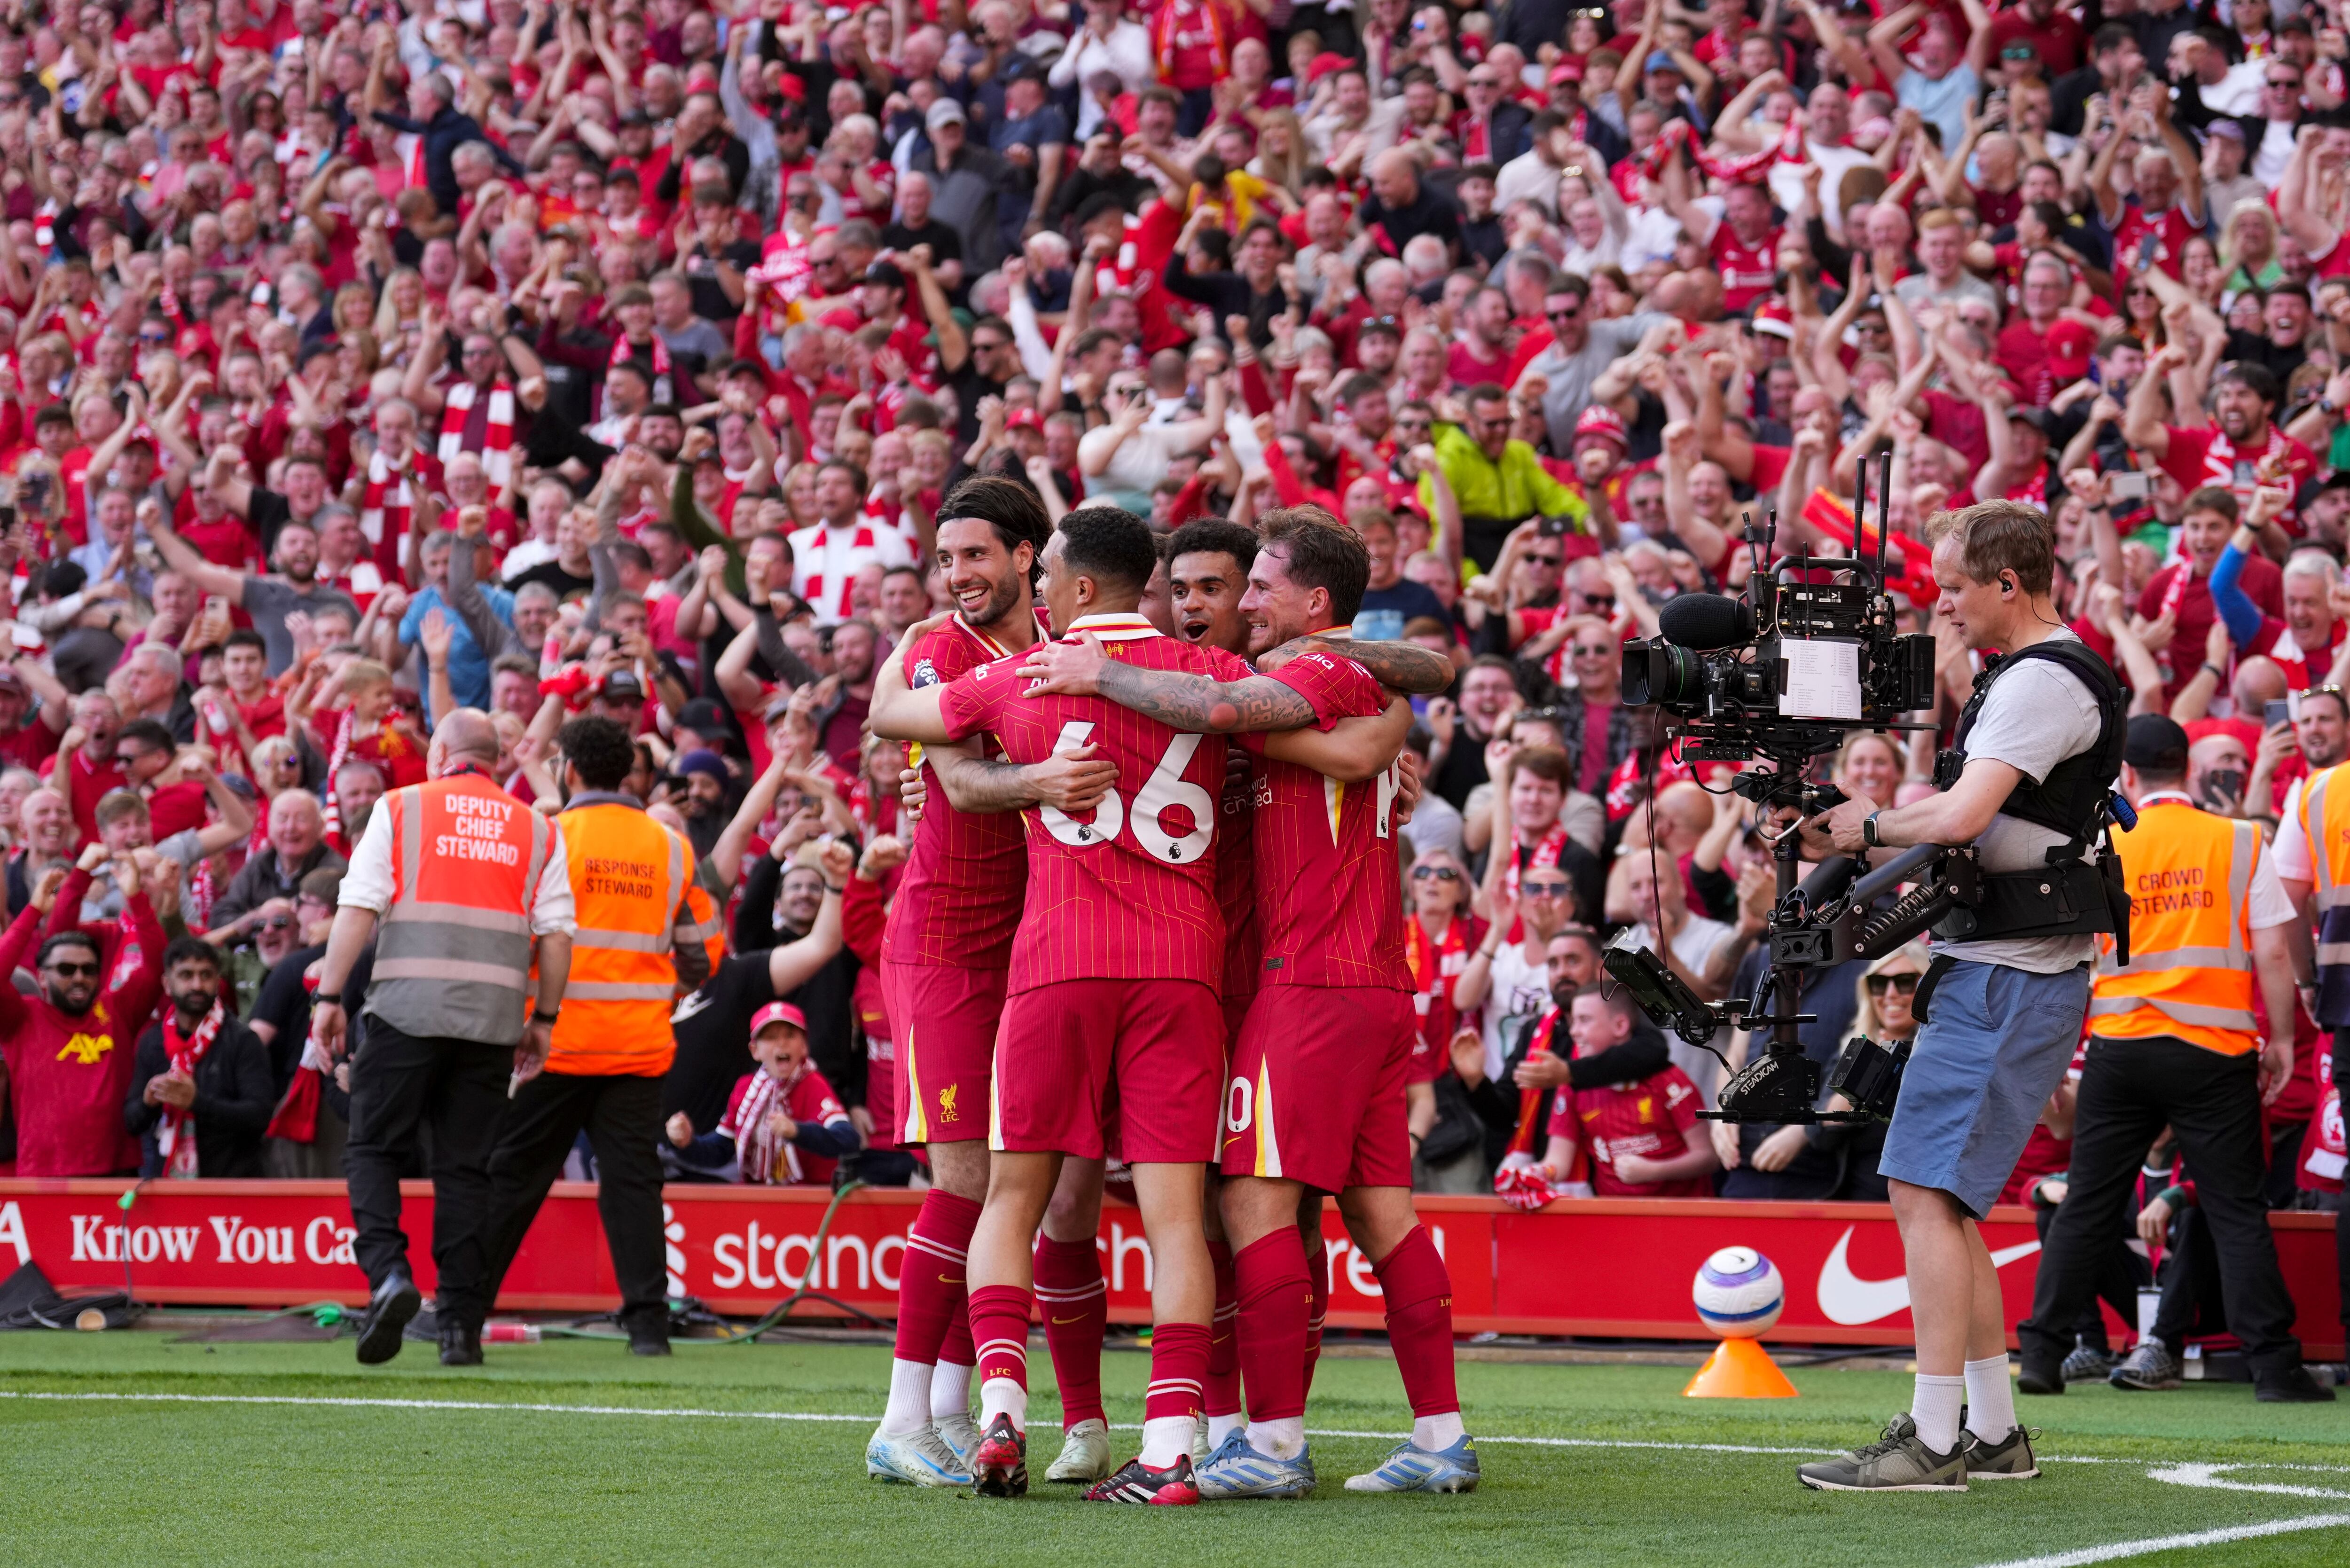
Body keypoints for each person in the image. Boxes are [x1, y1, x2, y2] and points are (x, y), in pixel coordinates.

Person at [868, 505, 1364, 1504]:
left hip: (1055, 962)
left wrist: (935, 692)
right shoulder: (1219, 678)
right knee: (1180, 1219)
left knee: (1013, 1196)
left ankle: (1003, 1409)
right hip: (1180, 968)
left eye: (1049, 574)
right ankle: (1173, 1443)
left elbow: (899, 719)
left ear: (1080, 586)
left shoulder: (1024, 675)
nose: (1042, 590)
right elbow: (1350, 684)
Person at [1019, 507, 1467, 1497]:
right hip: (1359, 985)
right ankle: (1439, 1439)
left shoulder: (1306, 676)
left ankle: (1267, 1448)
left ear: (1312, 603)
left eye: (1252, 585)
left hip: (1304, 985)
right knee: (1381, 1212)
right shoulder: (1349, 679)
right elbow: (1402, 687)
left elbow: (1230, 715)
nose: (1237, 604)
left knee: (1249, 1203)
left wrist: (1099, 675)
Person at [1797, 500, 2124, 1492]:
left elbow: (1964, 815)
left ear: (2007, 585)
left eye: (1951, 587)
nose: (1939, 605)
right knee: (1944, 1199)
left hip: (2008, 975)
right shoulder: (2037, 673)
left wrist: (1863, 828)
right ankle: (1990, 1432)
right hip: (2013, 968)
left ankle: (1933, 1441)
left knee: (1920, 1193)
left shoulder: (2037, 682)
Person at [862, 476, 1120, 1491]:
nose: (959, 575)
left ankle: (950, 1414)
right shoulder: (939, 651)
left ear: (1029, 558)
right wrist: (1039, 786)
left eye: (976, 556)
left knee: (1027, 1192)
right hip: (945, 951)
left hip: (1033, 955)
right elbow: (959, 778)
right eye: (946, 558)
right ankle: (901, 1418)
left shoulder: (1067, 650)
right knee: (967, 1183)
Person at [2016, 714, 2331, 1403]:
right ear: (2187, 769)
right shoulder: (2241, 840)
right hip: (2213, 1052)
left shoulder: (2098, 843)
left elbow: (2066, 952)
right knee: (2234, 1211)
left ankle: (2041, 1354)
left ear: (2127, 774)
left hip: (2120, 1046)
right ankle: (2275, 1370)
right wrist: (2280, 1040)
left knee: (2090, 1204)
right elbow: (2275, 952)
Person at [431, 716, 725, 1365]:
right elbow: (703, 954)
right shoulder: (670, 846)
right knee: (634, 1187)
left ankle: (462, 1321)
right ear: (629, 772)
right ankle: (648, 1328)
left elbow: (512, 937)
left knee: (510, 1181)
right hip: (638, 1049)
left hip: (551, 1045)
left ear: (568, 769)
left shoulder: (547, 837)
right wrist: (661, 988)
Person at [311, 710, 575, 1366]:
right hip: (490, 1025)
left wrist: (328, 996)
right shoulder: (537, 828)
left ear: (439, 754)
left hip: (403, 1011)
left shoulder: (401, 807)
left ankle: (388, 1275)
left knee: (373, 1148)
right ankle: (459, 1328)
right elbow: (560, 935)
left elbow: (359, 907)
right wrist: (542, 1021)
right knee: (466, 1172)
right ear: (496, 760)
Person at [0, 852, 164, 1176]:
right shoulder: (21, 1018)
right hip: (44, 1175)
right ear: (42, 977)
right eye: (66, 969)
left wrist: (136, 898)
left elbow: (158, 966)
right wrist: (34, 910)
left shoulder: (118, 1010)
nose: (79, 977)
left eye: (89, 970)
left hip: (116, 1172)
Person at [1536, 984, 1716, 1196]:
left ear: (1620, 1026)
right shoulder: (1573, 1086)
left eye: (1584, 1020)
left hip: (1682, 1217)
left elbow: (1709, 1158)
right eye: (1573, 1021)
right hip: (1615, 1220)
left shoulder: (1667, 1079)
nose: (1574, 1032)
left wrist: (1653, 1171)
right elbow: (1558, 1163)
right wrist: (1530, 1174)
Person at [124, 937, 276, 1178]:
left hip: (232, 1186)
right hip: (166, 1184)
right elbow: (132, 1123)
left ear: (218, 982)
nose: (197, 985)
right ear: (167, 984)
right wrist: (147, 1104)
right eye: (186, 975)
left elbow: (260, 1116)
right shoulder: (152, 1042)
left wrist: (196, 1103)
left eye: (206, 975)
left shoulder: (243, 1040)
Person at [666, 1001, 860, 1184]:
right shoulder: (746, 1088)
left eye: (790, 1035)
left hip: (809, 1198)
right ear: (755, 1051)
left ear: (804, 1046)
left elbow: (848, 1139)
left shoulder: (813, 1083)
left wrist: (797, 1131)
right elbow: (719, 1151)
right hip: (760, 1198)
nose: (781, 1044)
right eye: (771, 1037)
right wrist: (686, 1143)